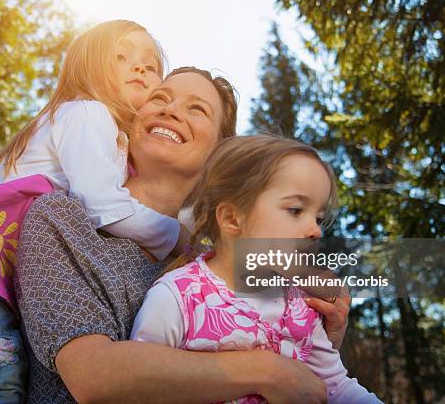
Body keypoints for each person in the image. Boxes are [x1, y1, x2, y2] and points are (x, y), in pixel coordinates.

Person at [16, 67, 351, 403]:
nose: (171, 110)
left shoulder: (224, 258)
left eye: (197, 109)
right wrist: (266, 370)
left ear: (220, 153)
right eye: (159, 98)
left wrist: (319, 334)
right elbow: (92, 377)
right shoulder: (61, 218)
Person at [0, 19, 188, 402]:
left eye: (150, 66)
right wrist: (178, 237)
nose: (139, 68)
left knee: (11, 376)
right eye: (122, 57)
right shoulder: (86, 113)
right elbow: (106, 208)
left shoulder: (108, 137)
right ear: (89, 66)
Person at [131, 135, 381, 403]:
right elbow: (141, 383)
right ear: (232, 218)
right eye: (296, 210)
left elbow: (337, 388)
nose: (316, 230)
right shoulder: (178, 297)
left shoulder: (301, 302)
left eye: (318, 217)